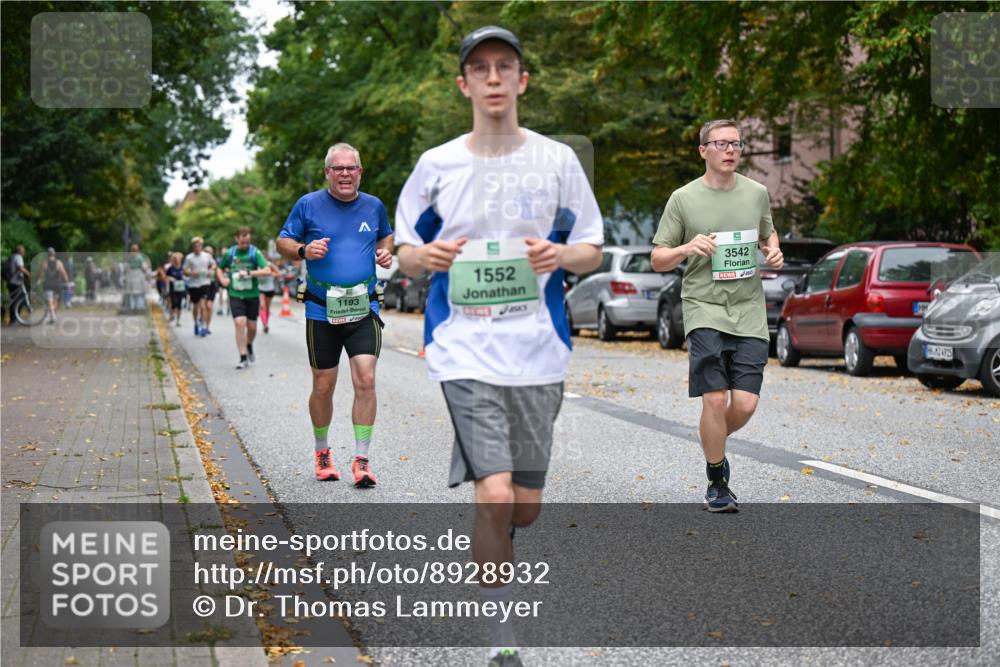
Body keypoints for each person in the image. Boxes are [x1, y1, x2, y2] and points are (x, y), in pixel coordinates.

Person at [394, 26, 603, 667]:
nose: (491, 77)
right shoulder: (438, 165)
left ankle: (498, 525)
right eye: (479, 68)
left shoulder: (557, 161)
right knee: (494, 492)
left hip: (538, 348)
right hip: (462, 346)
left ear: (521, 81)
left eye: (503, 66)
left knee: (525, 508)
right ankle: (501, 636)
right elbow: (403, 251)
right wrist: (420, 257)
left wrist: (560, 253)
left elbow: (590, 247)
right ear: (463, 84)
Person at [650, 119, 784, 513]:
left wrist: (772, 250)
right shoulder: (683, 198)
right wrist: (687, 248)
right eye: (721, 143)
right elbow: (658, 258)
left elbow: (767, 234)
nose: (730, 150)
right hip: (703, 307)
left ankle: (715, 443)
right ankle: (717, 479)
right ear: (703, 150)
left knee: (743, 404)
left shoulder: (756, 193)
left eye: (737, 144)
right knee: (714, 398)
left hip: (748, 310)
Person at [276, 142, 393, 488]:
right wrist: (302, 249)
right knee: (324, 386)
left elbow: (385, 236)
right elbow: (283, 241)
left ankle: (362, 460)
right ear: (327, 172)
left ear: (360, 172)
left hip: (363, 307)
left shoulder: (373, 206)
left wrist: (385, 253)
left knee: (366, 379)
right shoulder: (308, 205)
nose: (345, 174)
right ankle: (322, 451)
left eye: (351, 168)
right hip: (321, 309)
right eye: (338, 168)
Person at [216, 227, 271, 369]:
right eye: (242, 242)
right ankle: (242, 357)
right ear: (237, 239)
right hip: (235, 294)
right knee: (239, 323)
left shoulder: (255, 252)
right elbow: (219, 268)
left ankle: (249, 344)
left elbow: (267, 270)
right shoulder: (230, 253)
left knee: (252, 327)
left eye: (247, 242)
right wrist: (222, 279)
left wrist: (248, 273)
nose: (245, 245)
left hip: (252, 294)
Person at [182, 237, 215, 336]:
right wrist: (192, 273)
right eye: (195, 246)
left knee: (203, 305)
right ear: (193, 247)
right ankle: (196, 322)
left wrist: (210, 270)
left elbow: (214, 265)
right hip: (193, 284)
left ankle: (204, 326)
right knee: (196, 306)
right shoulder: (189, 257)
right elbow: (185, 270)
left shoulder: (207, 256)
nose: (197, 247)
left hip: (205, 283)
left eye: (199, 245)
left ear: (201, 246)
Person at [40, 248, 69, 324]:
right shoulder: (59, 263)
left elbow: (41, 275)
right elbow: (64, 274)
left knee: (50, 300)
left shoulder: (45, 263)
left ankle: (52, 315)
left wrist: (39, 281)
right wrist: (67, 283)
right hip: (57, 285)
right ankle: (53, 315)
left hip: (48, 284)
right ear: (54, 254)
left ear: (47, 254)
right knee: (56, 301)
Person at [4, 245, 31, 323]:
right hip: (16, 282)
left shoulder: (12, 256)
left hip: (10, 281)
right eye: (23, 250)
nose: (24, 252)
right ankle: (14, 319)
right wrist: (29, 274)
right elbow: (21, 268)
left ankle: (13, 319)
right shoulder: (19, 257)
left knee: (14, 300)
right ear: (20, 251)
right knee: (19, 301)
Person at [164, 252, 186, 327]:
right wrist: (171, 278)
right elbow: (166, 277)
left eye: (178, 259)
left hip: (180, 287)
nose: (176, 260)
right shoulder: (170, 268)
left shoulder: (183, 268)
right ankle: (172, 315)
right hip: (172, 288)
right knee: (174, 302)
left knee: (179, 304)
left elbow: (187, 275)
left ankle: (178, 320)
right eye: (175, 259)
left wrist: (184, 278)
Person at [257, 259, 279, 333]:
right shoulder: (256, 265)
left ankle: (266, 322)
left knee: (267, 308)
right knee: (263, 306)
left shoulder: (269, 265)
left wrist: (271, 274)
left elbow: (278, 274)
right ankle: (265, 325)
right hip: (260, 289)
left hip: (270, 289)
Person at [204, 244, 222, 328]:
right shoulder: (200, 262)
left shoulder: (215, 262)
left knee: (209, 306)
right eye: (206, 252)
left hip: (212, 285)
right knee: (203, 306)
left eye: (210, 252)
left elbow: (218, 271)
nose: (208, 254)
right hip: (202, 285)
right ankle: (201, 322)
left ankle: (207, 326)